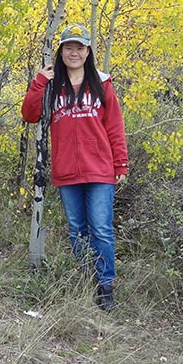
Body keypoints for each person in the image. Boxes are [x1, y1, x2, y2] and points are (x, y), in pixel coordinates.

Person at [21, 23, 128, 311]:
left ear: (88, 51)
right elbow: (30, 115)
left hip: (100, 169)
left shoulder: (102, 83)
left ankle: (105, 286)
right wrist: (39, 82)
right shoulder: (53, 85)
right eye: (69, 47)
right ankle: (85, 279)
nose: (74, 52)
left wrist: (120, 162)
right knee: (77, 230)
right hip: (66, 170)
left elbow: (114, 126)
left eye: (79, 47)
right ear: (61, 51)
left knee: (101, 229)